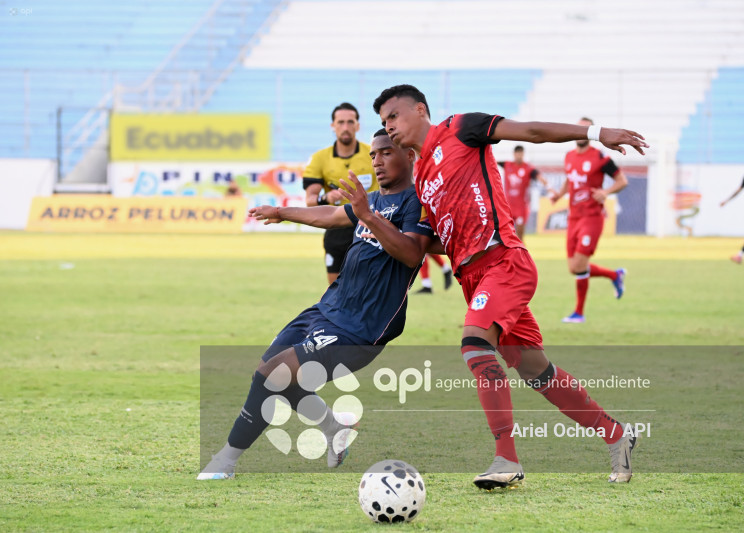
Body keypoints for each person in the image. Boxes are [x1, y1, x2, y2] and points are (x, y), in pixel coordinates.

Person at [372, 84, 648, 488]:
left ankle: (506, 459)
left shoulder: (461, 128)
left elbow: (531, 131)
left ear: (420, 109)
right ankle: (616, 434)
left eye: (393, 116)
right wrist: (377, 226)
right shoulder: (422, 177)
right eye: (383, 122)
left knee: (474, 345)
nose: (389, 127)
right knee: (537, 370)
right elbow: (431, 243)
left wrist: (594, 134)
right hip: (475, 278)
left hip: (505, 262)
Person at [198, 129, 434, 479]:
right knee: (269, 372)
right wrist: (282, 212)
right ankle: (334, 429)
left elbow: (413, 252)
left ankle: (225, 461)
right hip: (329, 307)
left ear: (410, 156)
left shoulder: (416, 201)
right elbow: (332, 216)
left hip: (362, 325)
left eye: (386, 152)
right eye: (374, 156)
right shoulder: (373, 201)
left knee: (271, 374)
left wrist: (367, 216)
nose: (377, 161)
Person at [550, 117, 629, 324]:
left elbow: (622, 181)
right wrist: (559, 195)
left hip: (591, 218)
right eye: (579, 129)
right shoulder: (568, 156)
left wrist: (606, 191)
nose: (581, 133)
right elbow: (570, 178)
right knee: (574, 268)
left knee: (579, 265)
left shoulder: (600, 158)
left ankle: (579, 313)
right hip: (573, 217)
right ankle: (614, 275)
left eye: (585, 129)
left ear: (591, 134)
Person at [303, 103, 379, 285]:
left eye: (350, 122)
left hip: (368, 228)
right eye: (341, 122)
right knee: (336, 292)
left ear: (358, 126)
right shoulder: (320, 158)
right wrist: (325, 198)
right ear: (333, 126)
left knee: (368, 289)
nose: (346, 128)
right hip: (336, 228)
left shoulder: (374, 153)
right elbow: (310, 201)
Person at [498, 145, 551, 238]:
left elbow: (540, 177)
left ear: (523, 154)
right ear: (514, 154)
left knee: (519, 237)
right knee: (505, 236)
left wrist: (549, 188)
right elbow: (491, 161)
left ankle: (522, 252)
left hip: (521, 208)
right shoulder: (507, 165)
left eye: (521, 154)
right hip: (508, 207)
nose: (519, 156)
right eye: (517, 153)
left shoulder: (528, 168)